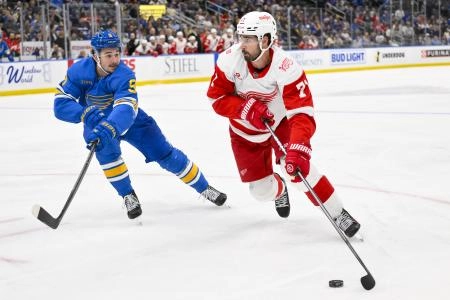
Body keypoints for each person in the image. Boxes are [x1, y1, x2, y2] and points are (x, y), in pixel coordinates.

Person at [206, 11, 360, 238]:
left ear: (265, 40)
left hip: (279, 123)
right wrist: (246, 109)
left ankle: (338, 213)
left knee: (298, 170)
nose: (242, 44)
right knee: (260, 192)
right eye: (241, 38)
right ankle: (279, 189)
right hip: (244, 132)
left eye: (248, 39)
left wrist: (298, 147)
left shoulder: (287, 67)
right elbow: (216, 98)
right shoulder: (230, 60)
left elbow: (301, 113)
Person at [54, 30, 227, 220]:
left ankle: (204, 188)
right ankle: (128, 196)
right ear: (95, 55)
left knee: (165, 154)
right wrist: (83, 114)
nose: (114, 60)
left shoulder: (124, 74)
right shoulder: (78, 72)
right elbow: (61, 104)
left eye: (117, 54)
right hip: (96, 122)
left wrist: (111, 126)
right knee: (108, 158)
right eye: (108, 55)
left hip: (131, 122)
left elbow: (126, 108)